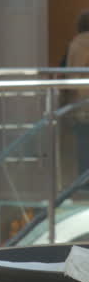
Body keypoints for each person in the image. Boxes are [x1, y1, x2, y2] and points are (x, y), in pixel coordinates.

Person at [63, 10, 89, 179]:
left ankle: (83, 180)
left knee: (83, 142)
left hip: (81, 101)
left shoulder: (75, 44)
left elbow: (69, 73)